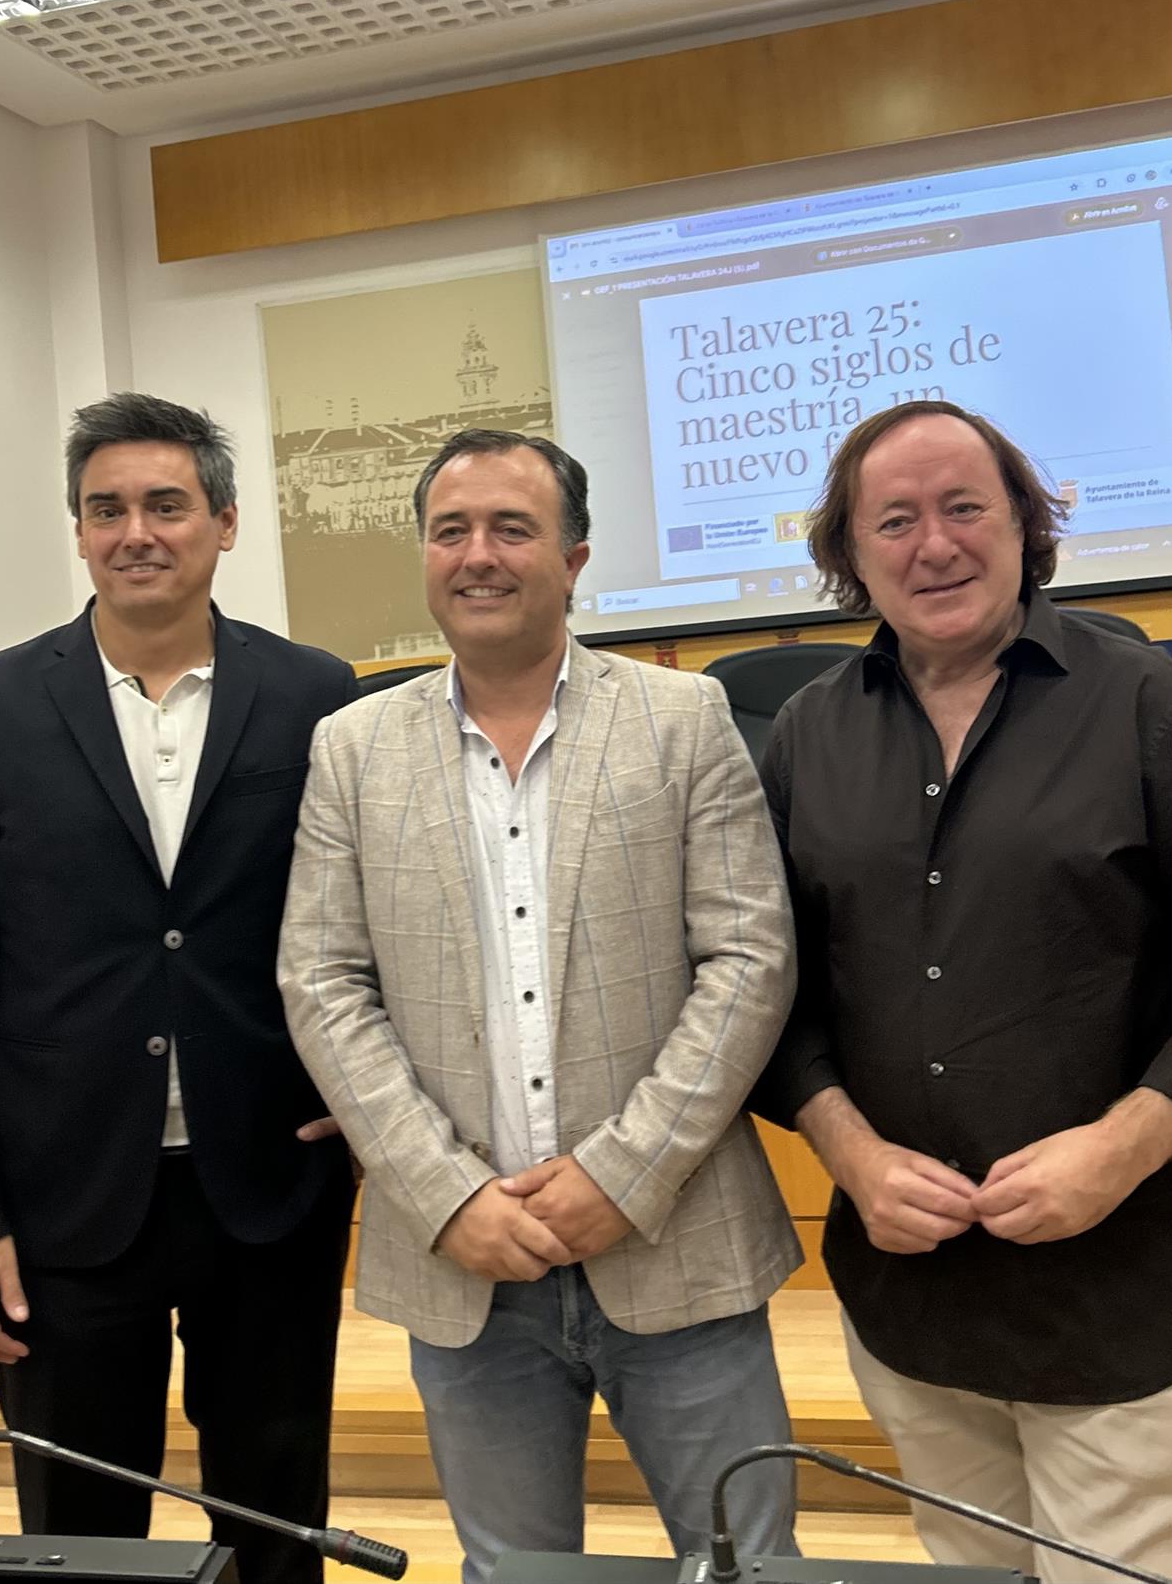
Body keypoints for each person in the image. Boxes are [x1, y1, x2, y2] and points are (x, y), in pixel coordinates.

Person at [754, 401, 1172, 1584]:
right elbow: (771, 995)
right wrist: (849, 1151)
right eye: (894, 520)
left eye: (965, 506)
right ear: (849, 552)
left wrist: (1118, 1149)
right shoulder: (805, 738)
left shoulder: (1150, 705)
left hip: (1121, 1299)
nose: (934, 544)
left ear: (1024, 523)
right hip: (912, 1308)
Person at [278, 429, 802, 1584]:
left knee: (751, 1566)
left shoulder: (682, 719)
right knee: (512, 1573)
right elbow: (322, 983)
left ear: (573, 559)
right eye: (451, 531)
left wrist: (623, 1173)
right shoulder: (351, 749)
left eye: (511, 528)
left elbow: (748, 958)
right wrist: (445, 1192)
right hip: (466, 1266)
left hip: (676, 1239)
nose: (479, 554)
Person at [0, 392, 358, 1583]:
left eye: (166, 504)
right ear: (79, 530)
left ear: (226, 522)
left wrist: (366, 1102)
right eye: (106, 510)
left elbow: (375, 926)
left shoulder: (317, 695)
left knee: (274, 1511)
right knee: (77, 1531)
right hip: (60, 1196)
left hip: (269, 1179)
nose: (135, 532)